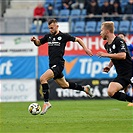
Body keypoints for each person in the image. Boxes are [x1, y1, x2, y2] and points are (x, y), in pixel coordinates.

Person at [31, 19, 93, 115]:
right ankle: (84, 88)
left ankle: (46, 102)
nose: (50, 30)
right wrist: (35, 41)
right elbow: (39, 43)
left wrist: (85, 48)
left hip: (59, 64)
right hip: (52, 65)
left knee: (43, 78)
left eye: (52, 28)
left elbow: (78, 40)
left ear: (57, 26)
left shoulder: (64, 36)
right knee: (65, 86)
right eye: (49, 28)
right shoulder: (48, 36)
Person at [97, 21, 133, 104]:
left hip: (131, 72)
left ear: (107, 31)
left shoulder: (119, 41)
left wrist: (105, 55)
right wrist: (109, 66)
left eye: (102, 30)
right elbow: (113, 57)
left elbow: (123, 55)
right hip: (122, 75)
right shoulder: (107, 45)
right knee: (111, 91)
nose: (100, 33)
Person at [118, 32, 133, 106]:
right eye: (119, 36)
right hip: (123, 68)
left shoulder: (129, 45)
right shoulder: (118, 46)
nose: (121, 38)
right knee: (125, 84)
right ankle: (127, 95)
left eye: (122, 36)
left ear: (124, 38)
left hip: (130, 65)